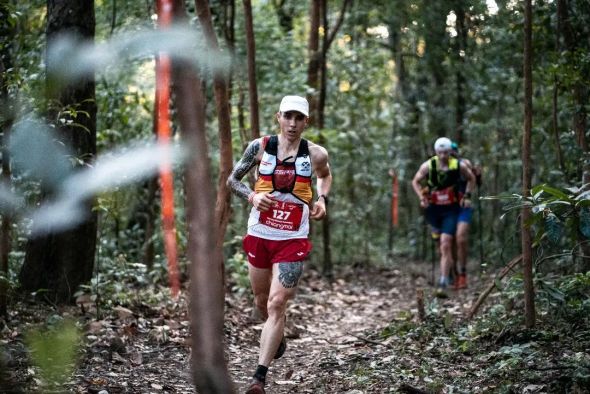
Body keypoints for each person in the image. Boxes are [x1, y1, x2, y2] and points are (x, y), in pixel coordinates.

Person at [227, 95, 332, 394]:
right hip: (260, 234)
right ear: (279, 117)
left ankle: (259, 377)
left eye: (299, 118)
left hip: (293, 238)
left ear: (306, 122)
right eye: (288, 116)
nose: (293, 123)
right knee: (262, 301)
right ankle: (278, 338)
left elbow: (325, 176)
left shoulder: (315, 154)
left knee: (277, 303)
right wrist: (252, 196)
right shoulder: (259, 148)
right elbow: (232, 180)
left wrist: (322, 199)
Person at [411, 137, 475, 293]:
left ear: (452, 152)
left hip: (454, 209)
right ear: (436, 152)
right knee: (443, 245)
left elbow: (472, 179)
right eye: (440, 152)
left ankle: (448, 280)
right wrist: (422, 197)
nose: (443, 155)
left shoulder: (461, 165)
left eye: (447, 152)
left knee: (451, 241)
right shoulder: (428, 166)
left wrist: (467, 196)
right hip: (434, 209)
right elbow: (415, 181)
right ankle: (450, 275)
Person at [450, 141, 482, 289]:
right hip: (447, 207)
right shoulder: (438, 166)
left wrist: (478, 176)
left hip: (463, 206)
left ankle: (463, 273)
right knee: (449, 241)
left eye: (452, 152)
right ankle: (454, 274)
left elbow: (474, 180)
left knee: (461, 238)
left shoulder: (464, 164)